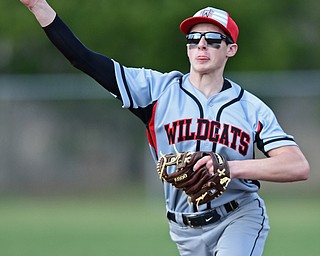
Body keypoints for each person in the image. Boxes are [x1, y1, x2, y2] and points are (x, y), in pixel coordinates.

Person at [19, 1, 310, 255]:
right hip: (183, 229)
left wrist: (231, 168)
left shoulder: (250, 108)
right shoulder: (157, 90)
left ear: (230, 49)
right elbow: (84, 59)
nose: (201, 45)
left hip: (239, 217)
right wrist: (38, 6)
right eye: (193, 38)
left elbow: (297, 166)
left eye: (213, 39)